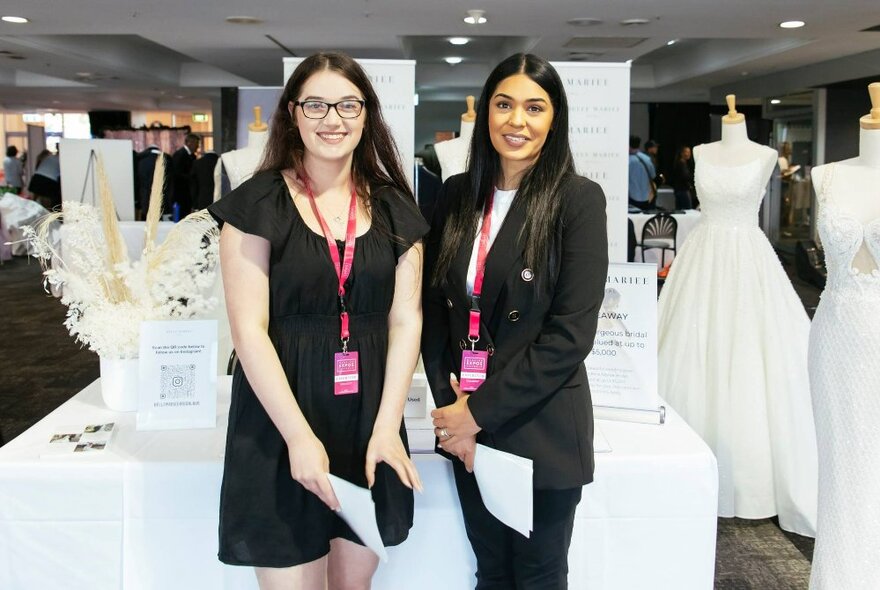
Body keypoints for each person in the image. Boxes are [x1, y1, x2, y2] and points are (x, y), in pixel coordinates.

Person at [207, 52, 426, 590]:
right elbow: (248, 331)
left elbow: (406, 320)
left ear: (367, 114)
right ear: (292, 114)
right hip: (281, 425)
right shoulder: (257, 204)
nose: (333, 119)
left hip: (367, 425)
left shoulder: (397, 208)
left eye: (348, 104)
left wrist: (386, 428)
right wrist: (300, 439)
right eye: (317, 104)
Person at [422, 53, 608, 589]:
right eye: (504, 105)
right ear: (486, 113)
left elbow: (570, 336)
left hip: (538, 424)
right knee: (491, 571)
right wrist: (448, 413)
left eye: (534, 107)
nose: (516, 121)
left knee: (538, 575)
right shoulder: (457, 194)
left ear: (555, 119)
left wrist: (476, 412)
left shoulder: (577, 200)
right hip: (465, 429)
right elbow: (435, 310)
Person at [171, 133, 200, 216]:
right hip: (181, 193)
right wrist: (191, 177)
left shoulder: (192, 156)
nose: (197, 146)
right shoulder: (180, 154)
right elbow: (176, 174)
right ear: (188, 143)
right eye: (196, 143)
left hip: (187, 192)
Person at [628, 135, 655, 210]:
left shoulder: (627, 161)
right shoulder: (647, 159)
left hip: (632, 196)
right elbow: (653, 176)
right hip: (647, 197)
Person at [669, 145, 695, 210]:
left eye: (689, 152)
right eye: (687, 152)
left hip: (679, 189)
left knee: (679, 210)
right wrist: (694, 176)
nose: (689, 154)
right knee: (688, 210)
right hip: (683, 190)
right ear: (682, 153)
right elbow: (685, 176)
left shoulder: (679, 163)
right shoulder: (681, 164)